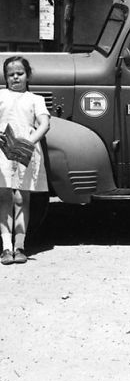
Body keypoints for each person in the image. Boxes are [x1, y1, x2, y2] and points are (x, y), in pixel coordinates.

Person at [0, 56, 50, 265]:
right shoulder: (1, 95)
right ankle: (6, 247)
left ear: (27, 75)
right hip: (2, 148)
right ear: (5, 78)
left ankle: (20, 245)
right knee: (4, 198)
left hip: (26, 148)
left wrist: (29, 142)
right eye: (10, 74)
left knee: (21, 198)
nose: (15, 78)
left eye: (19, 73)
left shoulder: (35, 99)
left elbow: (44, 124)